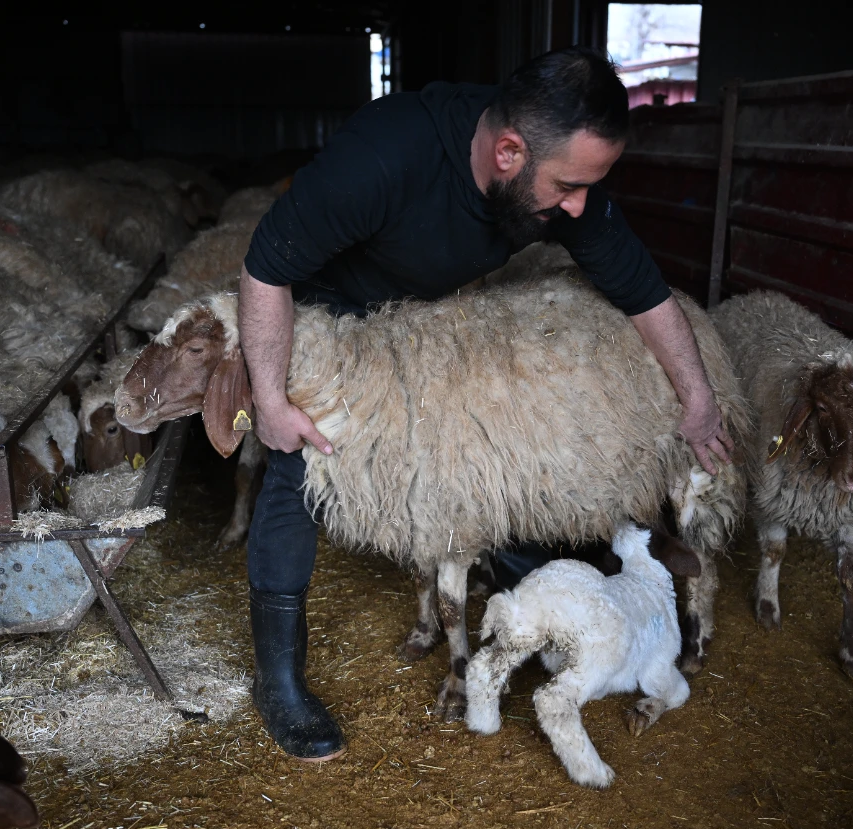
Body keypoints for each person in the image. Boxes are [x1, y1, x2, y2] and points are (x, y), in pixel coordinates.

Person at [236, 46, 733, 761]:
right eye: (568, 186)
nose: (579, 206)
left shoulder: (554, 178)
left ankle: (530, 598)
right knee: (295, 467)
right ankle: (278, 679)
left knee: (493, 451)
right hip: (327, 316)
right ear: (508, 152)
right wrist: (273, 397)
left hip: (433, 325)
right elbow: (265, 266)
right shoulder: (385, 155)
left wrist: (698, 400)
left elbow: (641, 289)